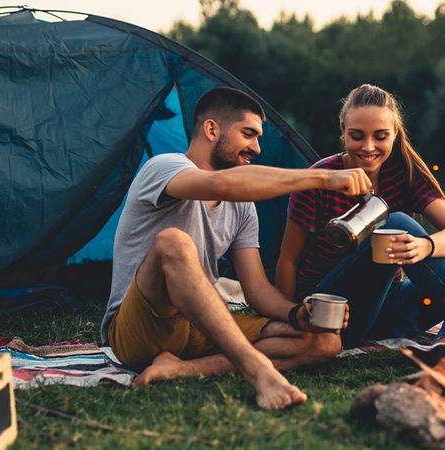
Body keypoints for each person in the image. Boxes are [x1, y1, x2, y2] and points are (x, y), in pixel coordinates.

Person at [99, 87, 372, 410]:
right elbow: (220, 185)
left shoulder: (243, 209)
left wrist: (296, 313)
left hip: (198, 326)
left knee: (324, 342)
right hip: (139, 329)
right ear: (212, 129)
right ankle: (258, 371)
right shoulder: (163, 167)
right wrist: (323, 178)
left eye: (258, 137)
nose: (256, 147)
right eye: (248, 134)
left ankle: (180, 369)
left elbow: (256, 289)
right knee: (173, 242)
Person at [276, 84, 445, 349]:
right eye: (357, 136)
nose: (368, 147)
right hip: (336, 313)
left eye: (380, 136)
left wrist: (425, 246)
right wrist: (290, 317)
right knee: (396, 223)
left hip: (389, 306)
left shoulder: (403, 173)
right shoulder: (321, 178)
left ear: (395, 133)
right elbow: (287, 261)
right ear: (342, 131)